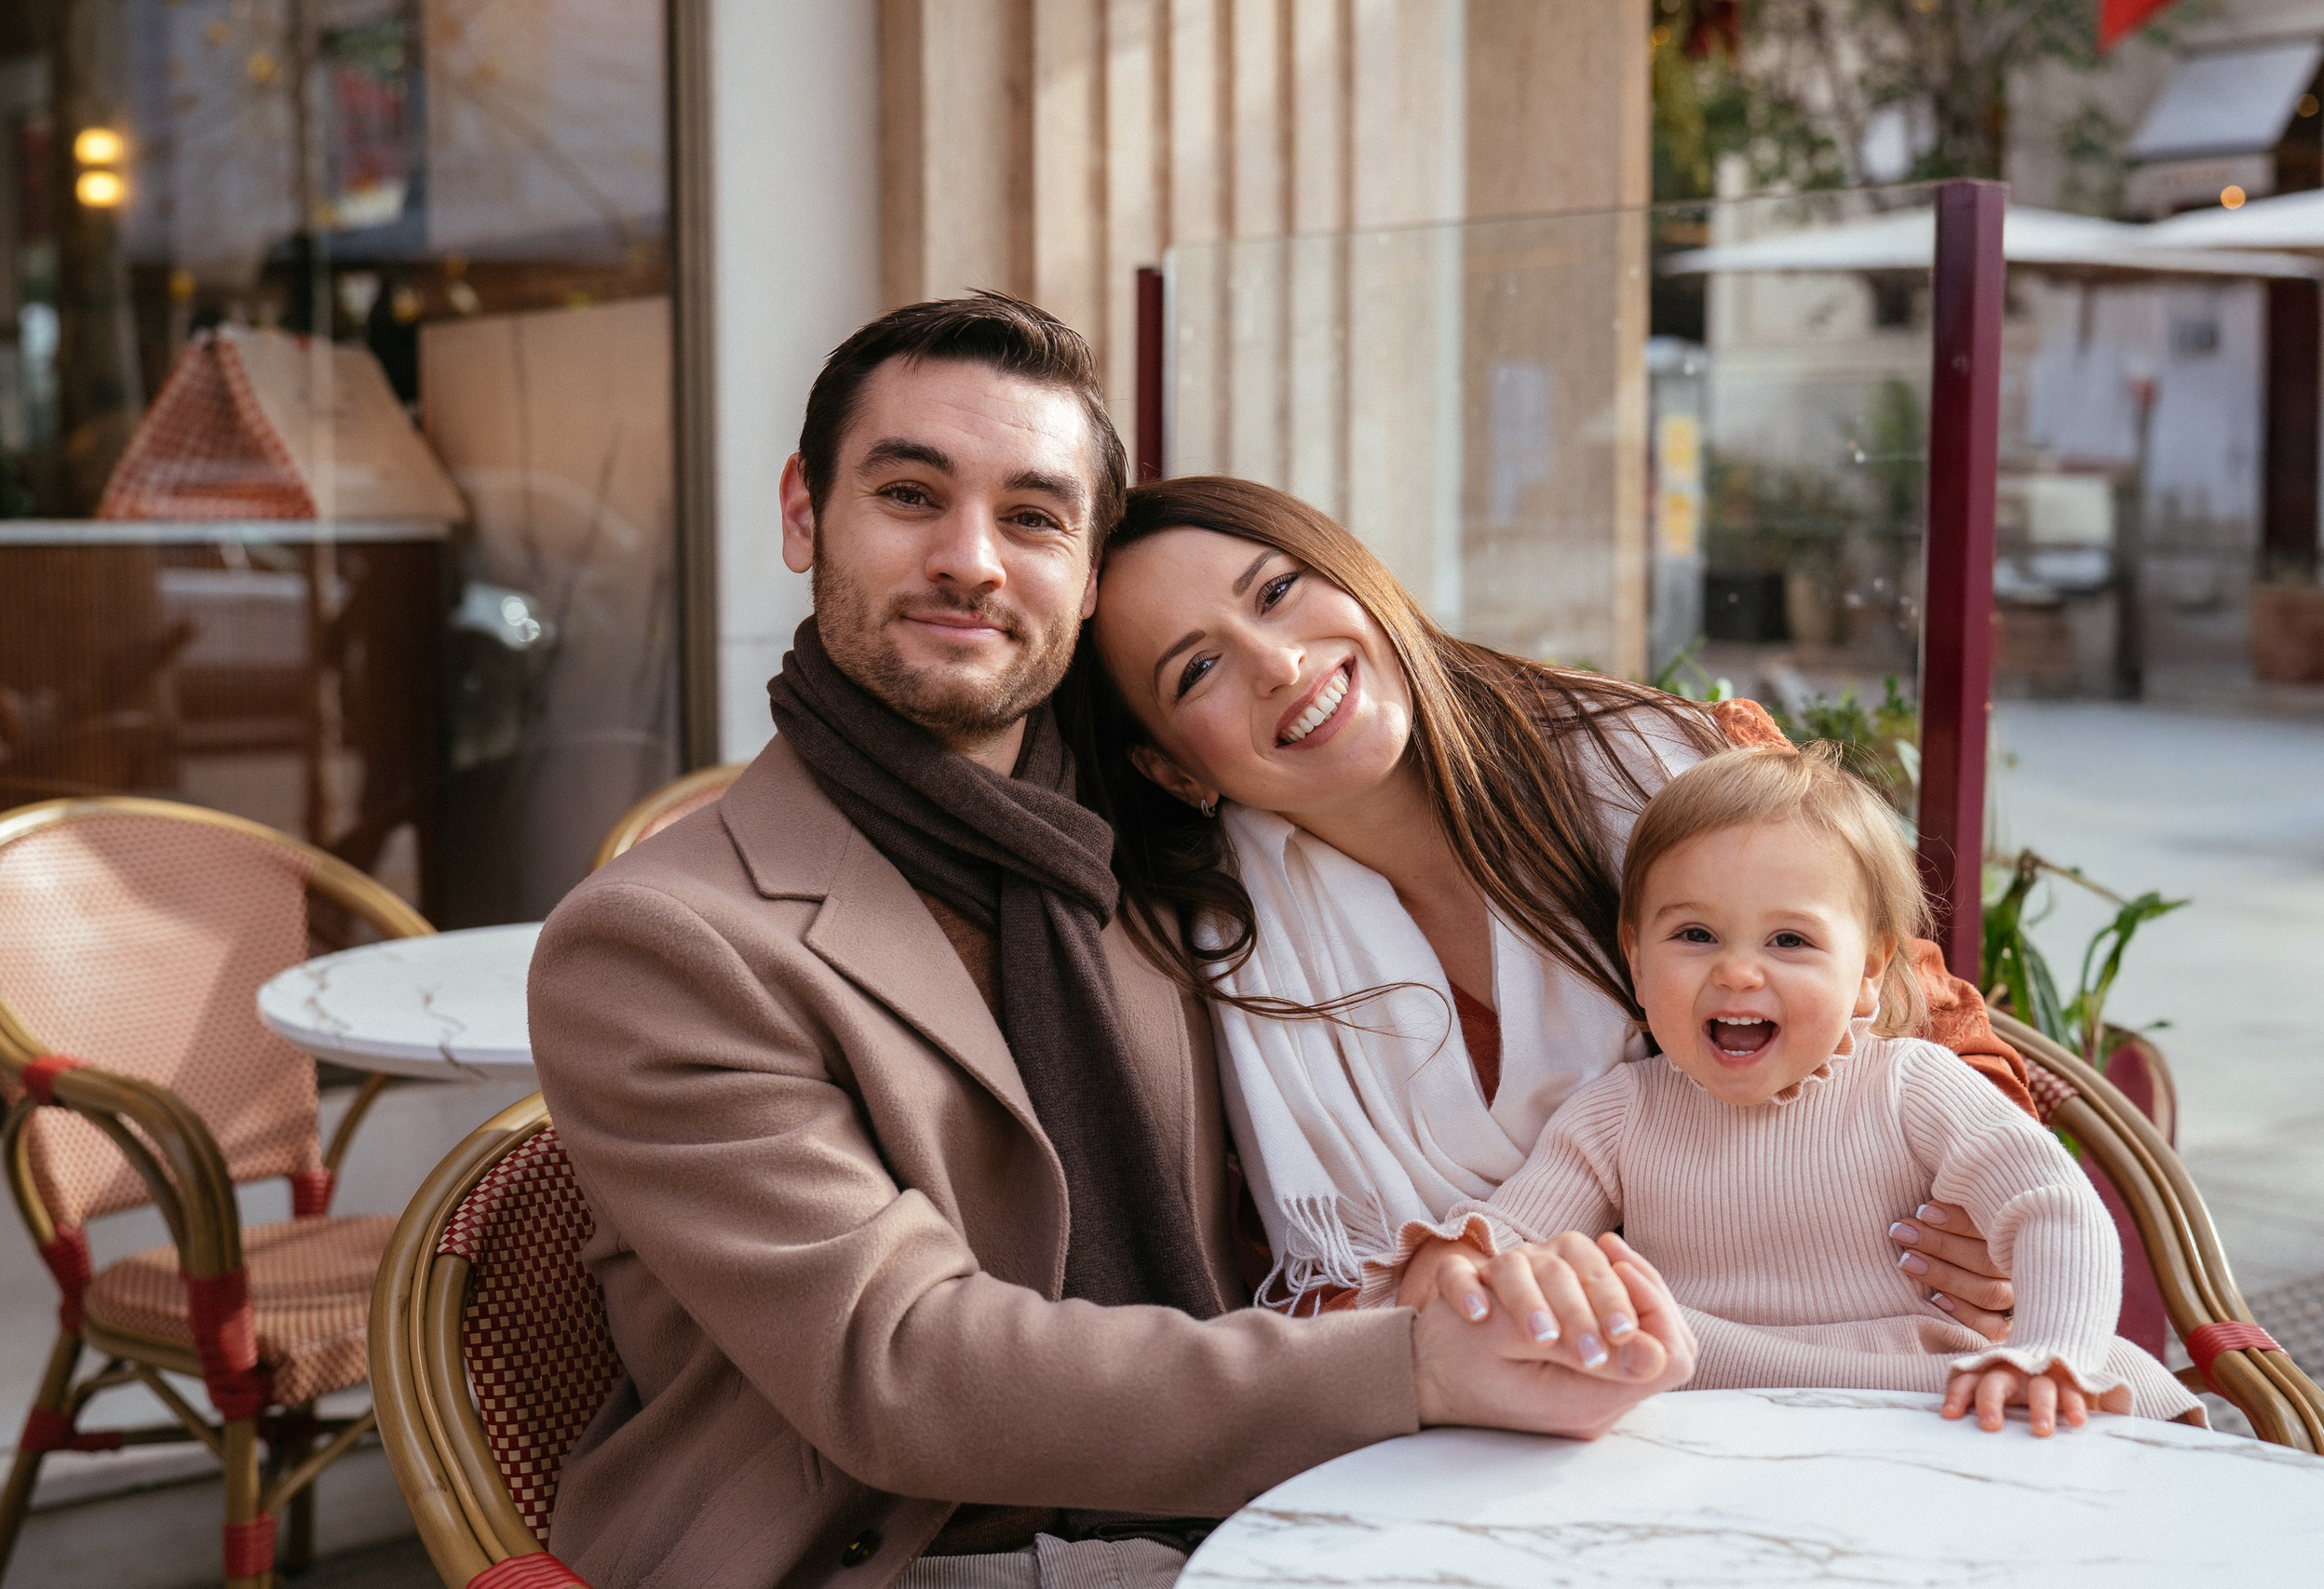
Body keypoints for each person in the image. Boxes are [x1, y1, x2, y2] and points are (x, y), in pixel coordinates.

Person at [526, 295, 1696, 1589]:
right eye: (912, 494)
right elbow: (901, 1364)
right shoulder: (660, 940)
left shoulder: (1140, 845)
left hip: (1240, 1500)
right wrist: (1411, 1362)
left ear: (1086, 579)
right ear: (806, 511)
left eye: (1032, 517)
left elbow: (1369, 737)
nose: (971, 558)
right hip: (891, 1548)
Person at [1074, 476, 2036, 1354]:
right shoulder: (1210, 966)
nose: (1278, 663)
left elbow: (1936, 1032)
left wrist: (1977, 1230)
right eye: (1196, 670)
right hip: (1530, 1416)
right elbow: (1307, 1298)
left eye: (1277, 591)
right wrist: (1458, 1296)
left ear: (1356, 578)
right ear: (1169, 767)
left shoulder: (1667, 766)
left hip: (1866, 1350)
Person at [1380, 744, 2200, 1434]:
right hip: (1715, 1421)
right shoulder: (1618, 1114)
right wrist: (1462, 1264)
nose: (1739, 969)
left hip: (1933, 1408)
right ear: (1635, 956)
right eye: (1694, 934)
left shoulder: (1910, 1086)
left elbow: (2053, 1203)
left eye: (1790, 939)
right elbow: (1513, 1238)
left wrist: (2048, 1348)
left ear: (1870, 971)